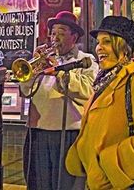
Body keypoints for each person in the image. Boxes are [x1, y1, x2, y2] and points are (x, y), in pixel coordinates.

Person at [65, 16, 134, 189]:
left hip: (118, 183)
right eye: (98, 42)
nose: (99, 48)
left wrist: (108, 165)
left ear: (124, 47)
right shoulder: (106, 80)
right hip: (96, 180)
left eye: (106, 41)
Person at [19, 11, 98, 190]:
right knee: (38, 183)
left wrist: (57, 69)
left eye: (61, 33)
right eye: (53, 33)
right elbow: (26, 90)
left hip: (68, 132)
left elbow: (88, 91)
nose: (55, 38)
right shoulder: (43, 60)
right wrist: (32, 70)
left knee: (67, 184)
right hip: (38, 131)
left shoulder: (86, 60)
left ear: (74, 36)